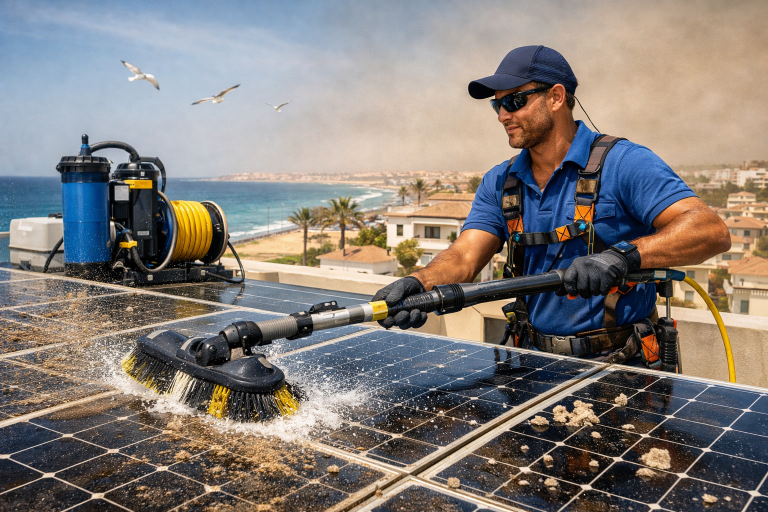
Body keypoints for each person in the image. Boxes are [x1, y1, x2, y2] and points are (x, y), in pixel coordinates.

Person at [373, 45, 730, 364]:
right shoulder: (501, 181)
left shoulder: (624, 163)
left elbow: (710, 230)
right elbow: (465, 257)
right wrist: (420, 281)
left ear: (556, 97)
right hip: (532, 361)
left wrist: (619, 257)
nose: (502, 115)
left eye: (514, 101)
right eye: (497, 105)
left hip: (620, 367)